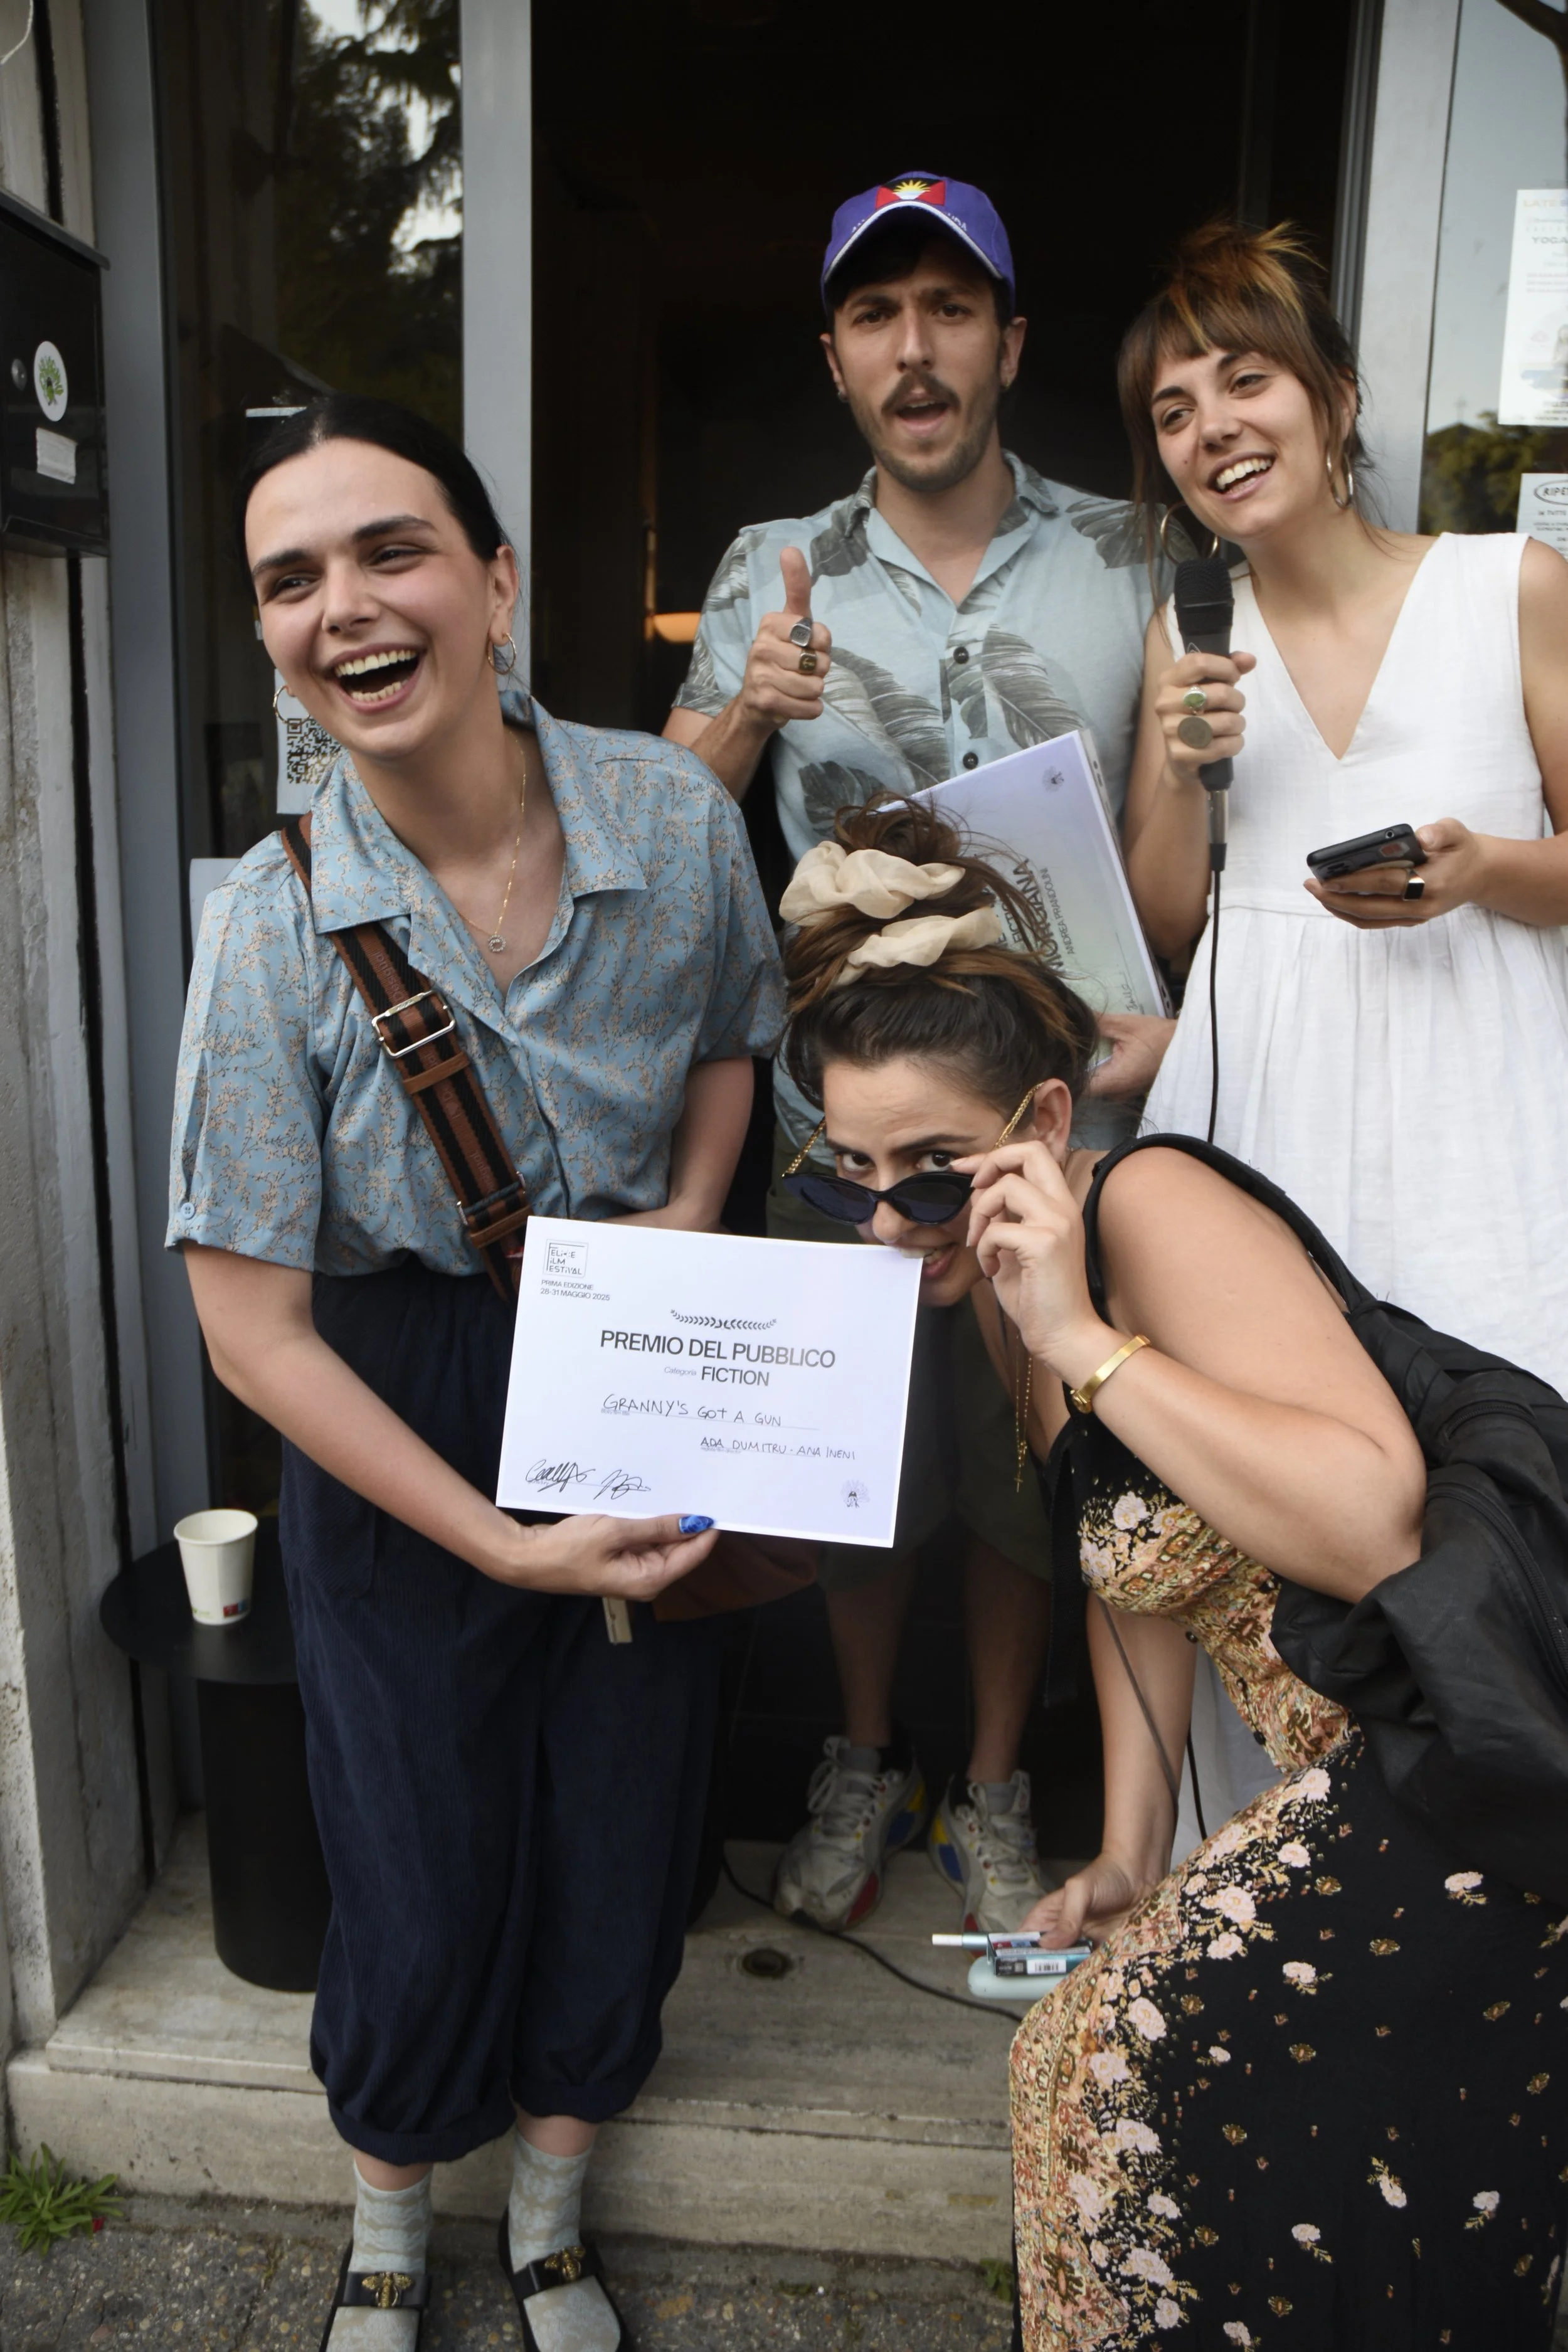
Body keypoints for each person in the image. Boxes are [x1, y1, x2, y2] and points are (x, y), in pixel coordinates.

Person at [776, 795, 1568, 2352]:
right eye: (845, 1178)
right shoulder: (1010, 1296)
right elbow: (1127, 1569)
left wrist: (1082, 1338)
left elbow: (1366, 1526)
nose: (885, 1224)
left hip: (1471, 1763)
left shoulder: (1145, 1214)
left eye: (930, 1174)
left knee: (1105, 2077)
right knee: (1128, 2090)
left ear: (1048, 1127)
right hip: (1358, 1774)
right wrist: (1133, 1849)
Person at [168, 393, 783, 2352]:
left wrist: (694, 1202)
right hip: (400, 1391)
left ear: (496, 583)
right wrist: (497, 1546)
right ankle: (386, 2215)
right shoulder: (271, 923)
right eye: (289, 577)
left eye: (391, 549)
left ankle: (549, 2209)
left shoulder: (676, 816)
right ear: (268, 632)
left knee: (621, 1819)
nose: (341, 604)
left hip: (634, 1347)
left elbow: (729, 1036)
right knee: (417, 1851)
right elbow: (251, 1323)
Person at [665, 169, 1176, 1934]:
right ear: (834, 358)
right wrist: (747, 706)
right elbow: (665, 828)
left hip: (1059, 1125)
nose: (914, 344)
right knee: (859, 1472)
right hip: (851, 1142)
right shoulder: (767, 572)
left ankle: (994, 1783)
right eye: (876, 314)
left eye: (948, 307)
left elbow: (1182, 845)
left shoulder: (1132, 554)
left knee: (1030, 1482)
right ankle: (861, 1753)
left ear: (1007, 340)